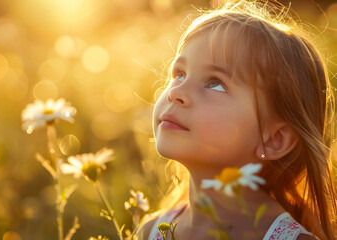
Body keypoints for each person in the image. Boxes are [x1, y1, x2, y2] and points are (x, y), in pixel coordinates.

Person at [135, 0, 337, 239]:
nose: (175, 92)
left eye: (215, 84)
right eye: (179, 74)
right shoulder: (152, 230)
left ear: (274, 140)